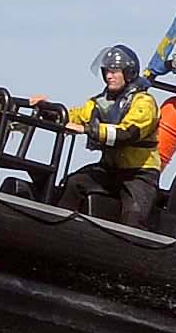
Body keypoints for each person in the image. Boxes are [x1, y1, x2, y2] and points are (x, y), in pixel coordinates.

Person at [28, 44, 161, 227]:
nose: (108, 76)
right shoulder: (100, 102)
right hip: (109, 169)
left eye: (114, 71)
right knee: (74, 183)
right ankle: (57, 229)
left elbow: (127, 133)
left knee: (133, 217)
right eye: (106, 71)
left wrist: (89, 130)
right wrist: (47, 109)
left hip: (139, 174)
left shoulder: (144, 103)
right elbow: (75, 116)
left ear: (129, 73)